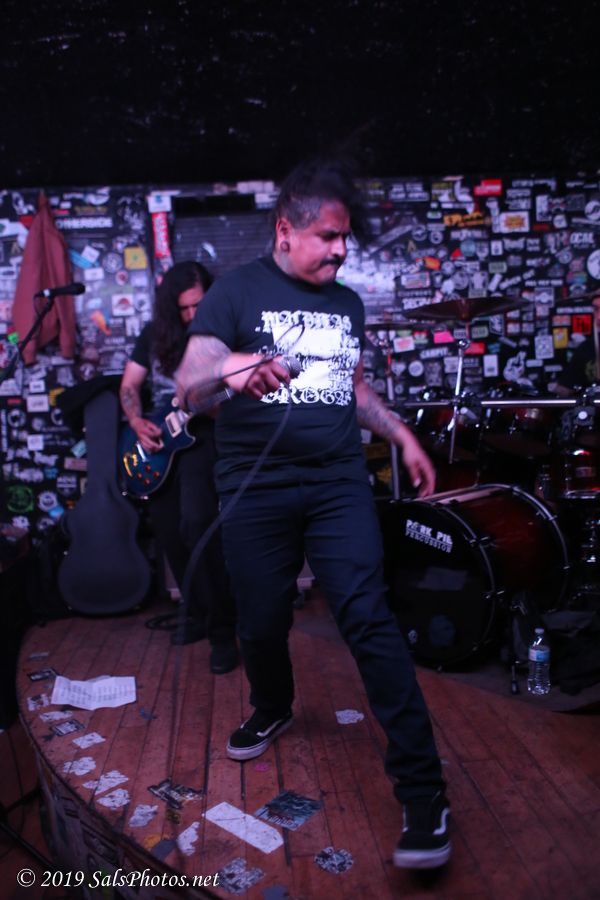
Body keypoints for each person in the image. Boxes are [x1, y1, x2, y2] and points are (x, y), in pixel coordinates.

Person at [175, 159, 450, 869]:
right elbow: (188, 386)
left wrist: (400, 433)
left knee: (369, 617)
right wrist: (232, 366)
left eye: (345, 238)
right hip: (255, 486)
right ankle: (273, 704)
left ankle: (424, 790)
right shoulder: (235, 293)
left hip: (336, 482)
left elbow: (351, 390)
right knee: (261, 620)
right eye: (328, 237)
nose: (340, 250)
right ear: (285, 231)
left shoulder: (347, 304)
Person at [119, 261, 238, 674]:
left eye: (198, 306)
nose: (191, 315)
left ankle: (223, 632)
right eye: (183, 308)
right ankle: (200, 614)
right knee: (171, 535)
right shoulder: (154, 335)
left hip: (200, 435)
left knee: (198, 524)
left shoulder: (223, 334)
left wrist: (210, 403)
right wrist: (136, 421)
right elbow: (129, 385)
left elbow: (230, 400)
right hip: (156, 443)